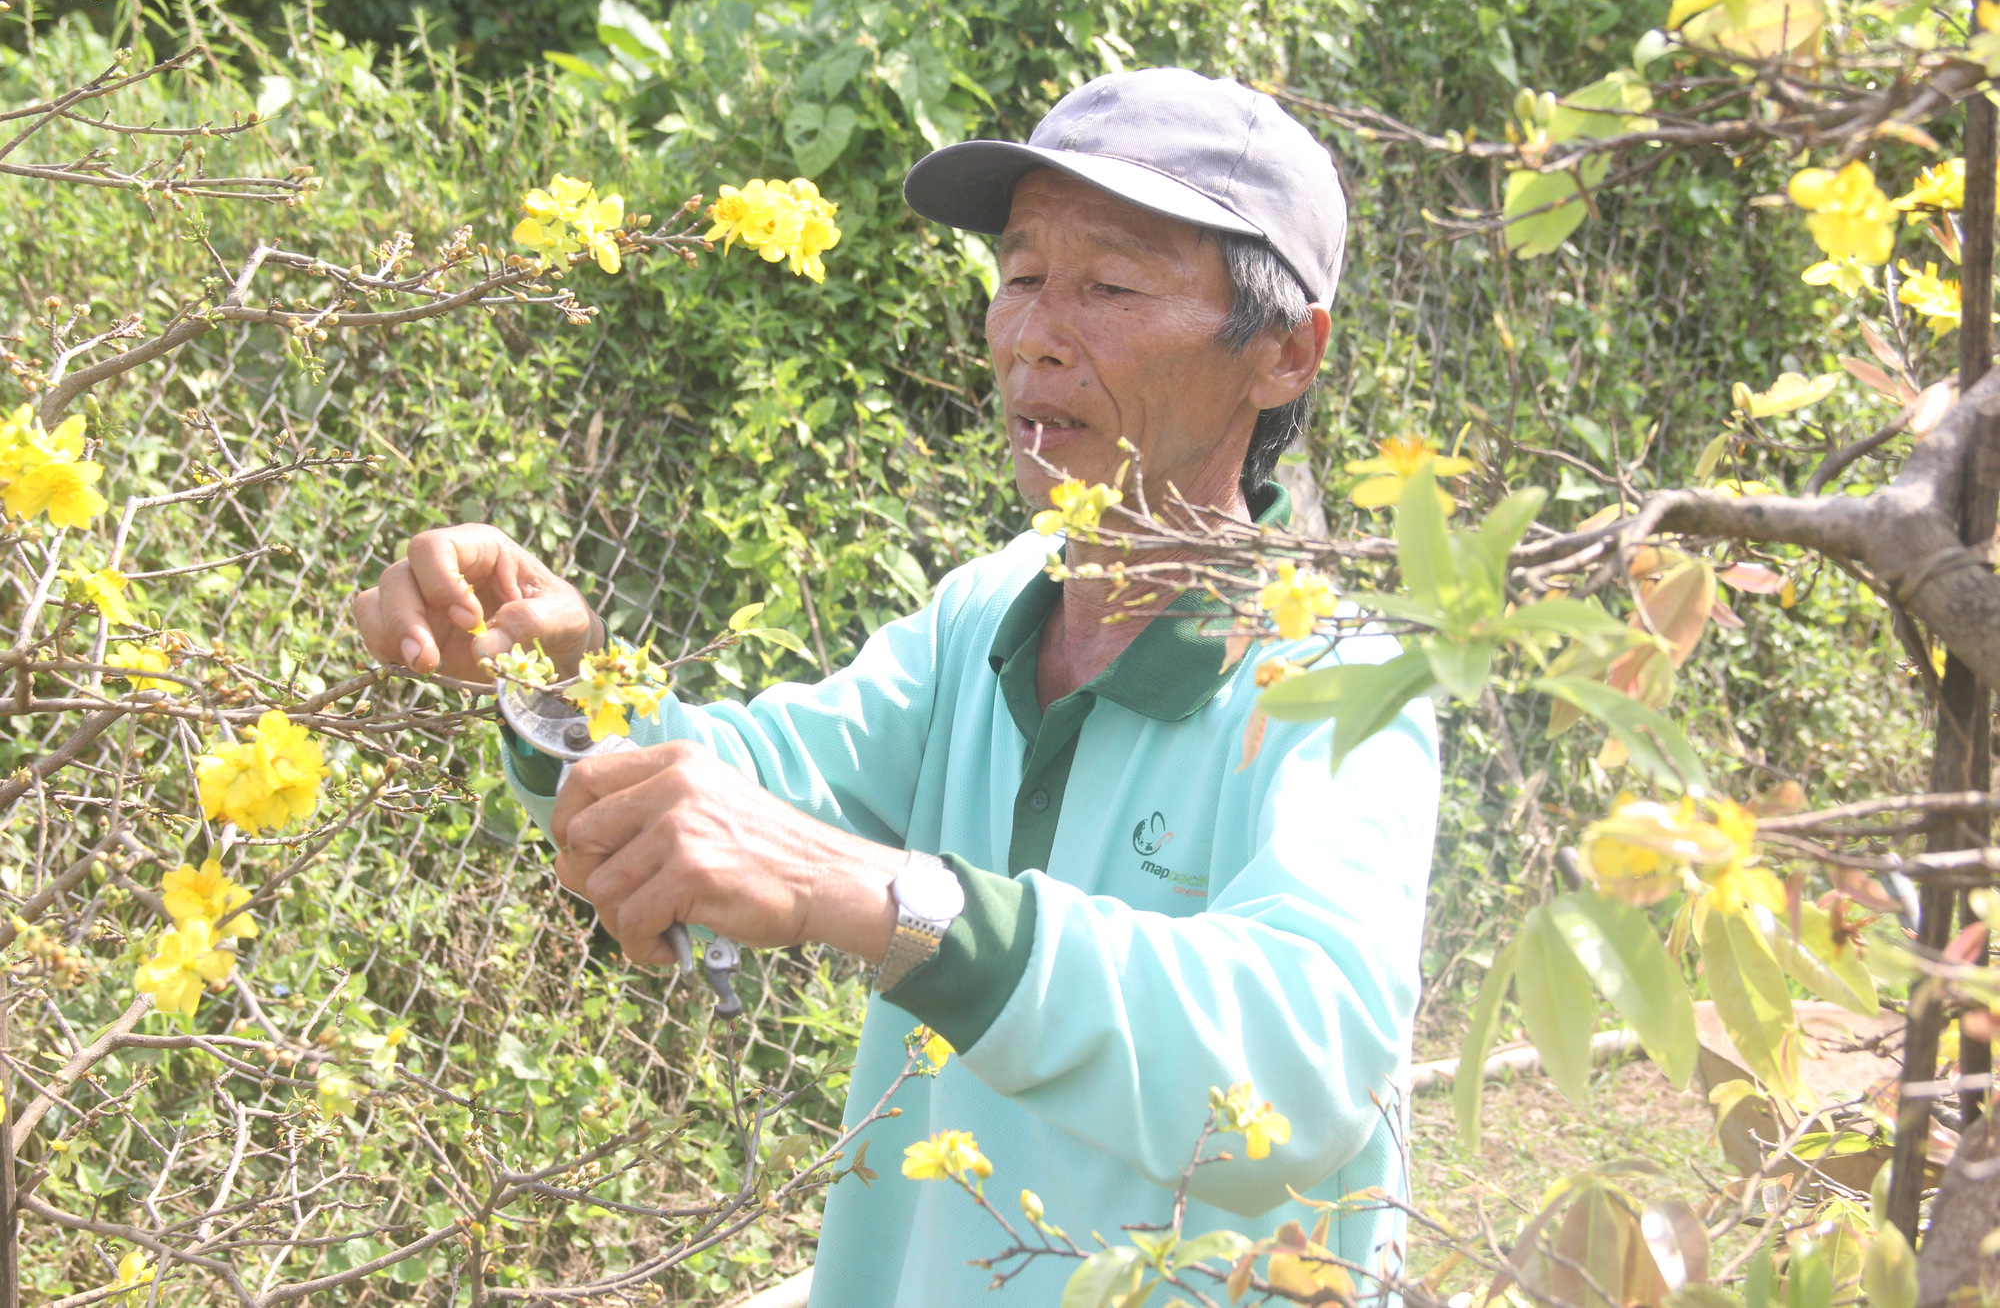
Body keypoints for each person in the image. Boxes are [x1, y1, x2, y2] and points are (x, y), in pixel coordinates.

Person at [352, 67, 1438, 1307]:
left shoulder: (1338, 676)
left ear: (1285, 353)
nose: (1033, 332)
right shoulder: (987, 610)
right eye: (1020, 275)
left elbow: (1300, 1062)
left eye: (1111, 285)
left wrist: (880, 900)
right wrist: (560, 688)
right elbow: (737, 789)